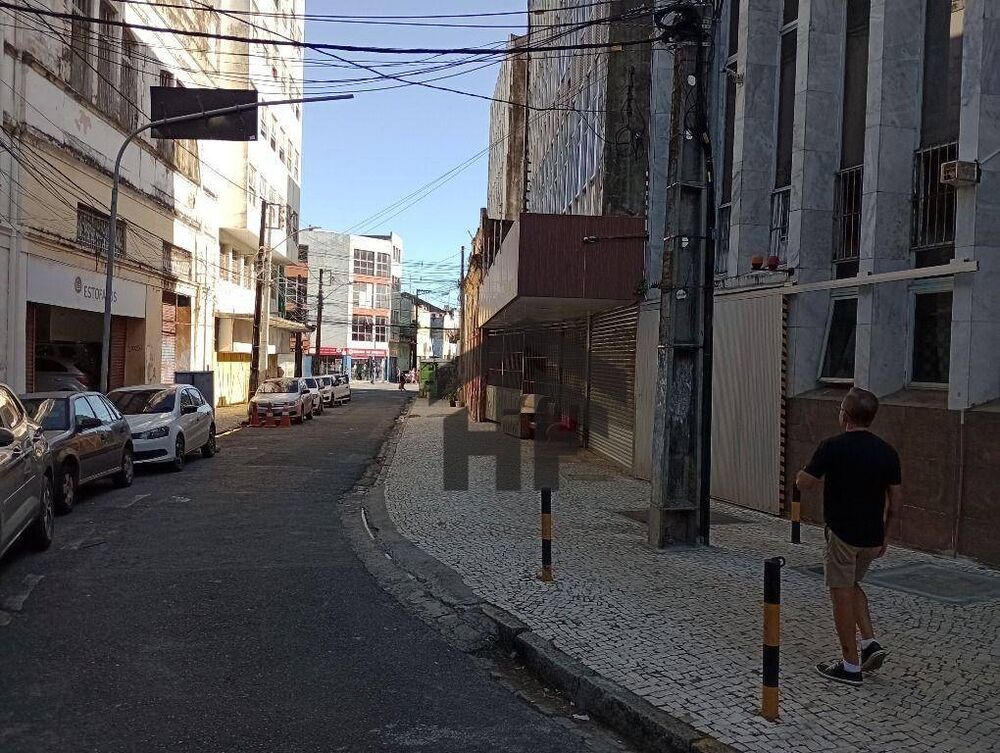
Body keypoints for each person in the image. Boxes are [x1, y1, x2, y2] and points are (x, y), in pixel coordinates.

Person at [797, 387, 902, 687]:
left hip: (843, 536)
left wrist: (801, 475)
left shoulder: (831, 447)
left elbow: (805, 483)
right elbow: (896, 503)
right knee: (851, 585)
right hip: (872, 538)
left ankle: (850, 666)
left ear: (845, 415)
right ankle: (869, 643)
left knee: (840, 595)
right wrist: (886, 537)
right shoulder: (887, 452)